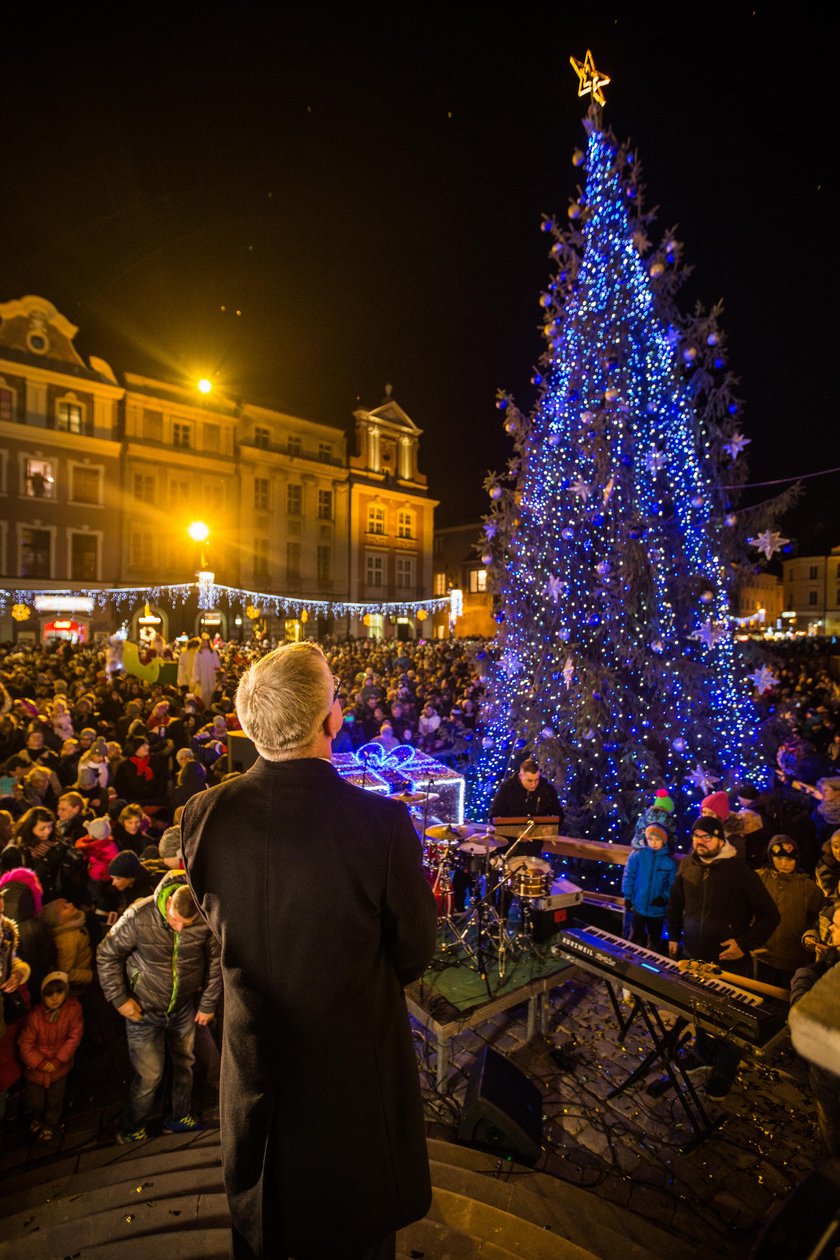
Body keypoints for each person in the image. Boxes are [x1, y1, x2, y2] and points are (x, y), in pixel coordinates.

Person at [183, 640, 437, 1260]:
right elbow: (414, 953)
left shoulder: (203, 814)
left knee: (264, 1230)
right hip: (353, 1084)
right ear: (331, 719)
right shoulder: (381, 825)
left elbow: (219, 912)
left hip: (257, 1075)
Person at [96, 871, 221, 1143]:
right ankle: (131, 1128)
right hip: (143, 1009)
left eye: (186, 924)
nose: (179, 928)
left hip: (183, 1008)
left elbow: (215, 961)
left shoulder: (204, 917)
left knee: (184, 1065)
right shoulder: (139, 916)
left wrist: (208, 1003)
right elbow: (107, 954)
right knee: (149, 1075)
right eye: (175, 921)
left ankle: (177, 1118)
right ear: (167, 904)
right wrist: (119, 1000)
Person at [666, 815, 780, 1097]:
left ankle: (725, 1069)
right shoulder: (688, 864)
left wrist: (744, 943)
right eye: (696, 836)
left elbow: (770, 916)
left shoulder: (740, 872)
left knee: (729, 1017)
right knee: (700, 1009)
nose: (700, 842)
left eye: (706, 837)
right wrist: (673, 936)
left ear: (720, 839)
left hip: (729, 962)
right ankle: (702, 1054)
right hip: (695, 955)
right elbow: (676, 901)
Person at [19, 971, 83, 1144]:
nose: (55, 998)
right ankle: (37, 1116)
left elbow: (74, 1036)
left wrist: (59, 1059)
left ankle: (49, 1123)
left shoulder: (72, 1010)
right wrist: (40, 1062)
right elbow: (25, 1044)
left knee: (56, 1099)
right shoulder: (35, 1017)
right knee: (36, 1101)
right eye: (49, 994)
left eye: (59, 992)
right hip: (36, 1071)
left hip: (59, 1069)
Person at [752, 835, 823, 989]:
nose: (784, 863)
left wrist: (811, 935)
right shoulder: (758, 879)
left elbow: (816, 919)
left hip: (793, 959)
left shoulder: (809, 888)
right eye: (779, 858)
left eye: (789, 859)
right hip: (762, 956)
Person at [621, 823, 677, 951]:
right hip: (639, 905)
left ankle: (650, 962)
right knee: (634, 936)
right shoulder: (638, 855)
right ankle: (630, 959)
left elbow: (672, 885)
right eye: (650, 839)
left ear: (664, 841)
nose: (653, 843)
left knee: (654, 939)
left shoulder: (669, 863)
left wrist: (665, 897)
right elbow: (629, 875)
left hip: (657, 910)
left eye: (657, 839)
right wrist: (628, 896)